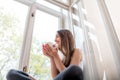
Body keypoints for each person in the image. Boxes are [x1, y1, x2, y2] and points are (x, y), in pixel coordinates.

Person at [6, 29, 83, 80]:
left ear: (65, 38)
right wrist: (51, 57)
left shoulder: (77, 51)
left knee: (74, 69)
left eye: (57, 37)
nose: (55, 40)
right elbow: (55, 77)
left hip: (72, 74)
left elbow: (69, 76)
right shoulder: (61, 59)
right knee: (11, 73)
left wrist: (55, 56)